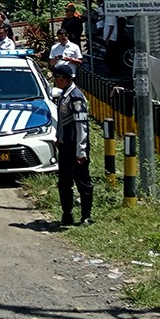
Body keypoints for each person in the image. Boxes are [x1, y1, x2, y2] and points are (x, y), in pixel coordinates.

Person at [53, 64, 94, 226]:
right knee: (64, 182)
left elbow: (81, 125)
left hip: (75, 148)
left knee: (82, 182)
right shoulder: (65, 95)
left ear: (62, 79)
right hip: (65, 147)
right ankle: (67, 215)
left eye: (56, 78)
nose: (55, 81)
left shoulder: (75, 97)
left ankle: (86, 216)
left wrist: (81, 151)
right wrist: (59, 138)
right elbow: (62, 122)